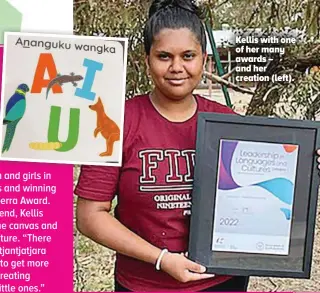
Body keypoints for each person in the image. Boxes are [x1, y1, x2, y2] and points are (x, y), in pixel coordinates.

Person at [74, 0, 320, 291]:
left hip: (222, 281)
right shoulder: (117, 122)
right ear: (146, 60)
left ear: (204, 58)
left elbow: (270, 191)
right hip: (144, 284)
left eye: (188, 56)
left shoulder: (228, 123)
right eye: (164, 56)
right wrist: (161, 259)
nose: (176, 67)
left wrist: (307, 166)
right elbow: (90, 217)